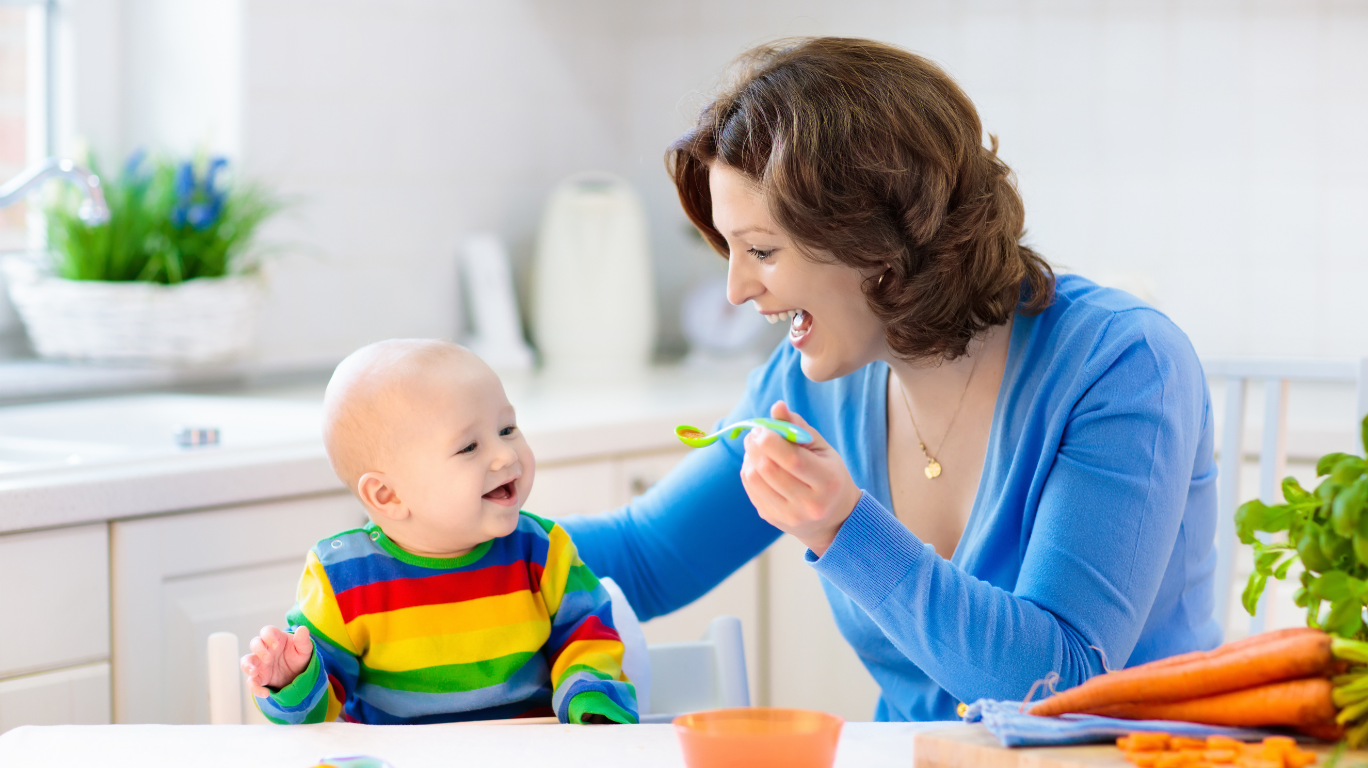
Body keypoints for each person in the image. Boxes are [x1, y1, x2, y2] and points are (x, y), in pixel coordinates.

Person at [560, 37, 1220, 722]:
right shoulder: (811, 382)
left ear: (874, 241)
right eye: (731, 250)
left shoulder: (1122, 364)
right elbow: (642, 558)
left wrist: (845, 528)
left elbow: (1060, 686)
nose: (735, 290)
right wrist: (463, 520)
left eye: (761, 250)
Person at [240, 339, 637, 725]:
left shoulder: (542, 550)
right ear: (388, 494)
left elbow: (588, 632)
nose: (506, 454)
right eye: (468, 447)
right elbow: (315, 716)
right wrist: (292, 680)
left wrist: (588, 694)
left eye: (507, 428)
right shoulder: (344, 578)